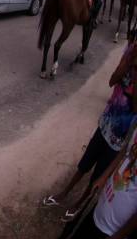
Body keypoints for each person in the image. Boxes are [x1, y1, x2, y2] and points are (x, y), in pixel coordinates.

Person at [44, 39, 137, 224]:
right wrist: (128, 62)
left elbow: (135, 108)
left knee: (97, 176)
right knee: (85, 163)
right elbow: (112, 81)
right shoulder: (129, 56)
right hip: (106, 123)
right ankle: (64, 193)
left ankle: (79, 204)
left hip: (119, 138)